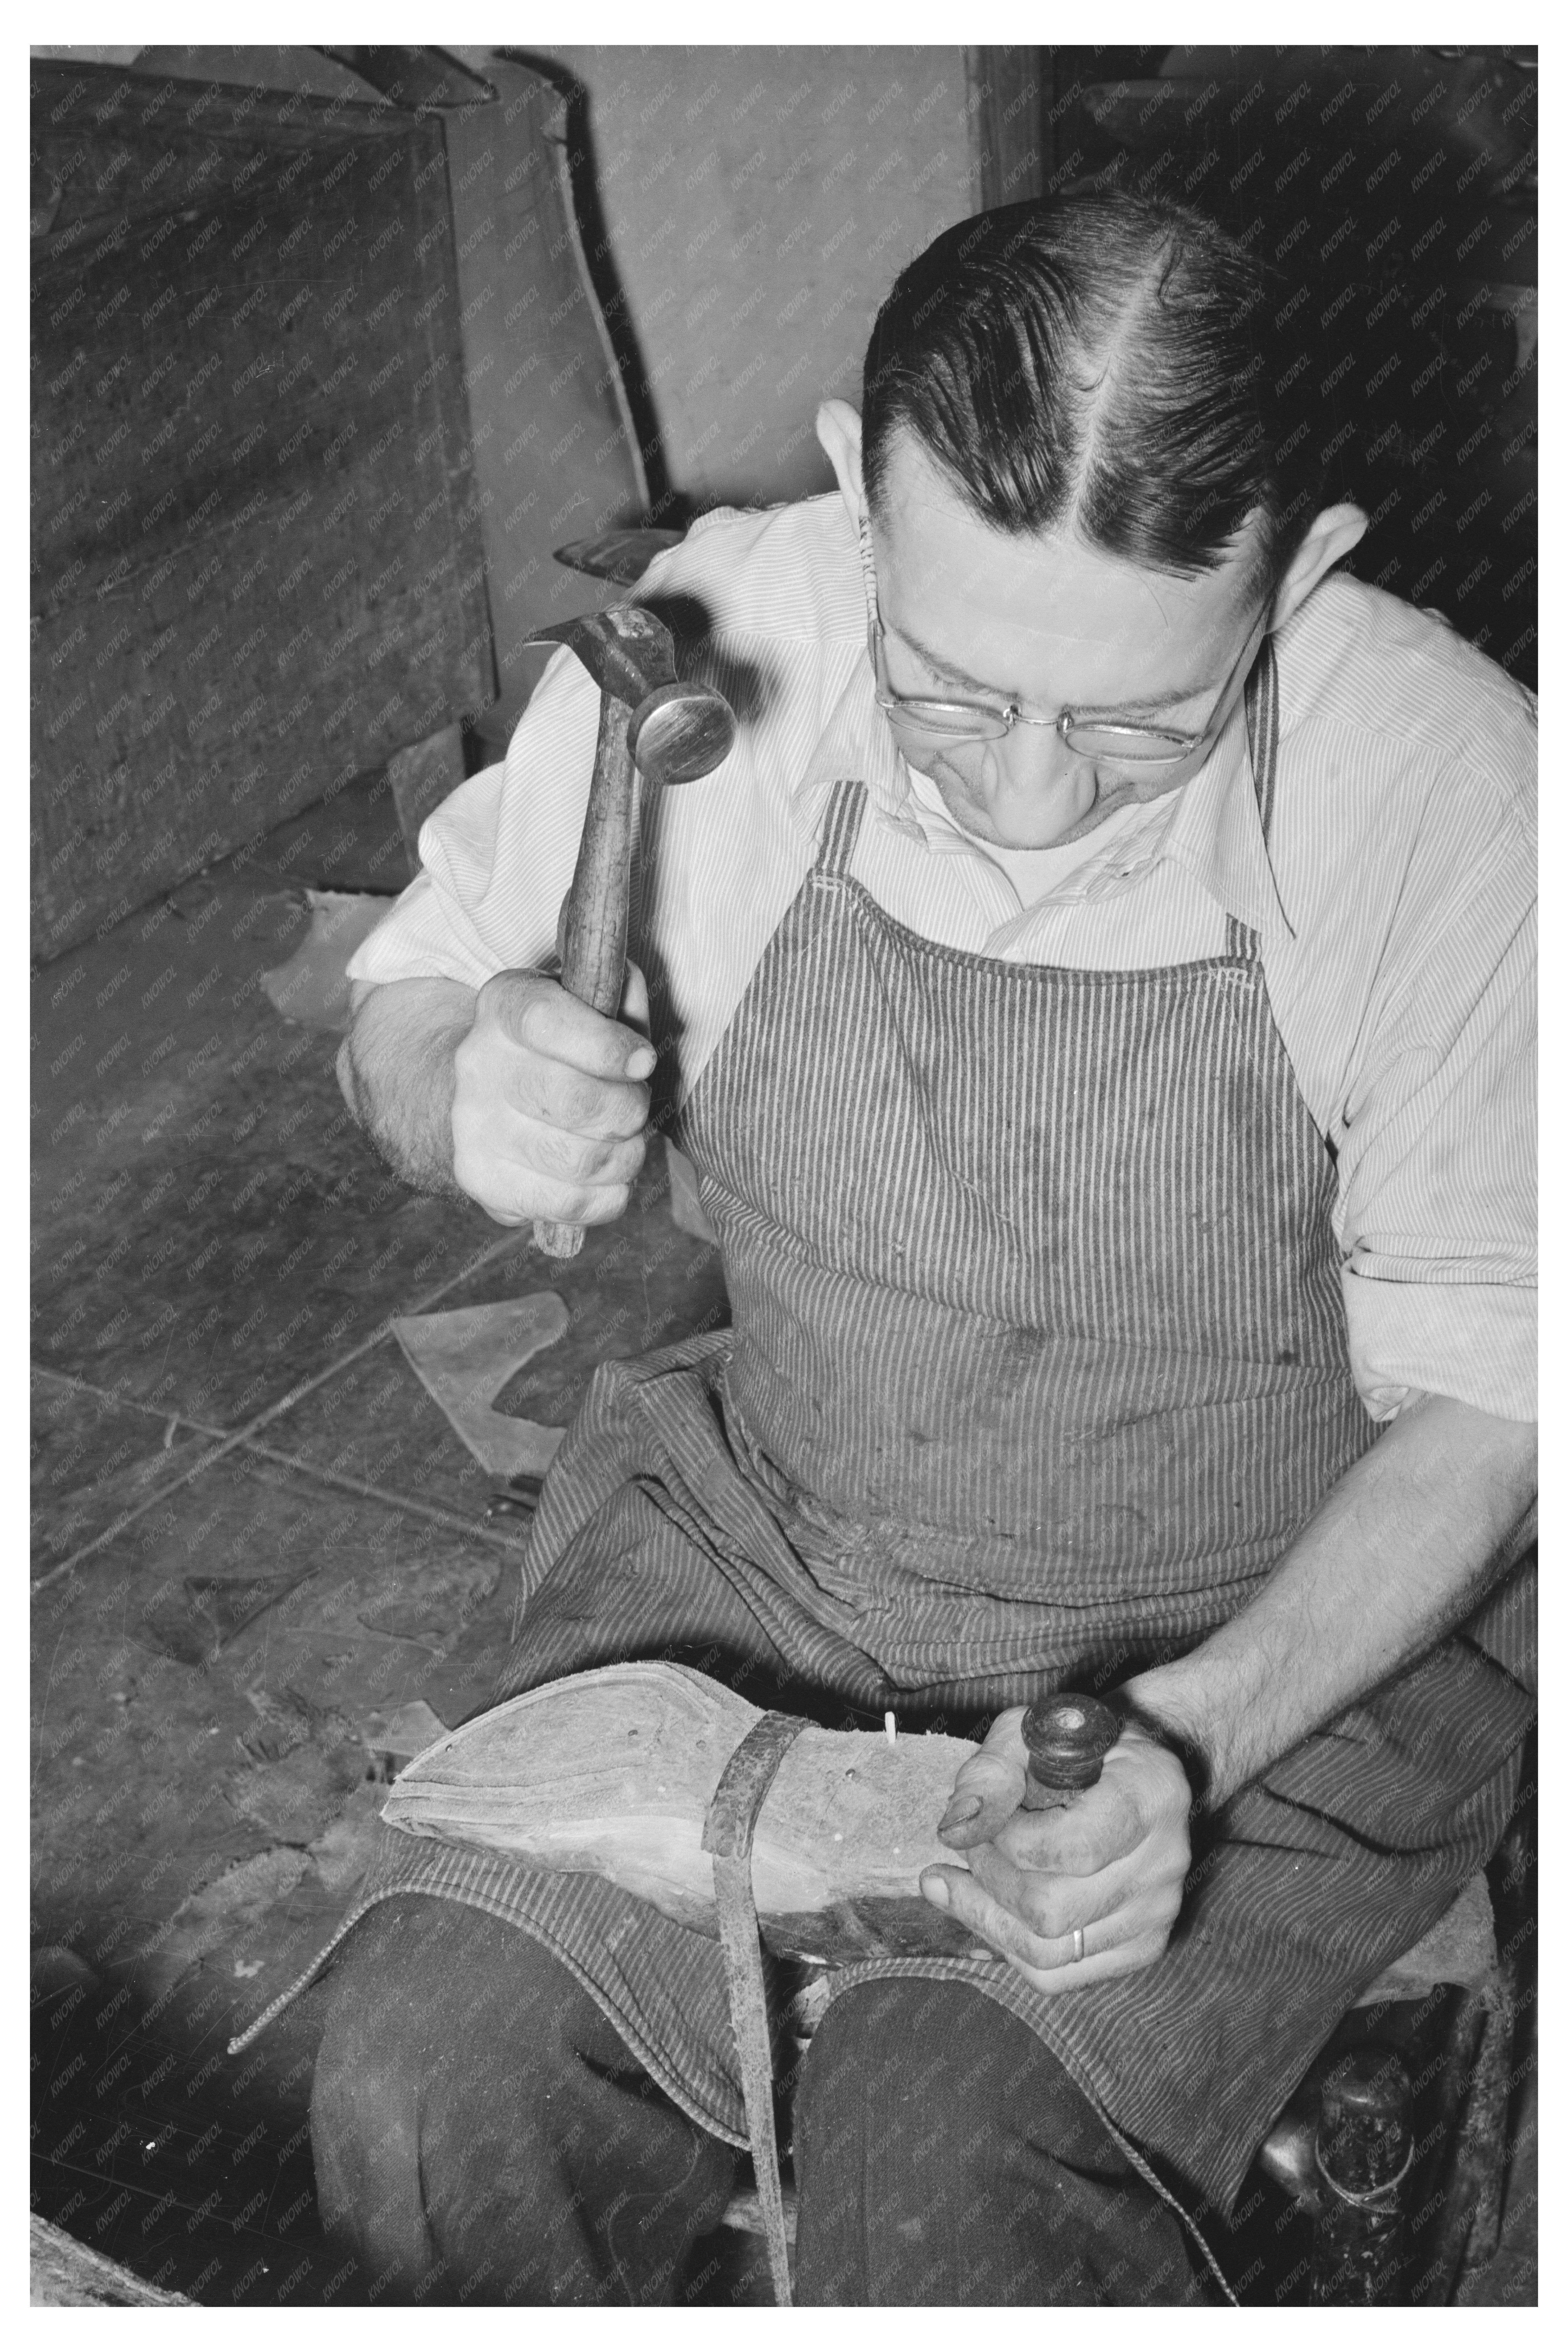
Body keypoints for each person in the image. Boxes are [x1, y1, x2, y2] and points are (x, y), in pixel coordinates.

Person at [307, 191, 1536, 2304]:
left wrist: (1191, 1741)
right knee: (427, 2076)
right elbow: (403, 1010)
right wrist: (455, 1070)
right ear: (860, 499)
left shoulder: (1447, 788)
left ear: (1301, 563)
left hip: (1245, 1632)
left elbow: (1508, 1401)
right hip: (768, 1557)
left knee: (933, 2181)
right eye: (954, 698)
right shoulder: (722, 633)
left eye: (1143, 728)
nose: (1039, 801)